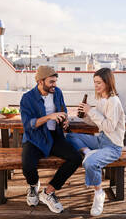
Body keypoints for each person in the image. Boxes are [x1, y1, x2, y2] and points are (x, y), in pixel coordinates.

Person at [20, 65, 82, 213]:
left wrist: (64, 119)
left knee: (75, 158)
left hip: (55, 135)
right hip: (35, 137)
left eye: (55, 81)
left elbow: (63, 110)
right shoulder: (27, 98)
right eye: (51, 82)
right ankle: (33, 185)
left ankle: (48, 192)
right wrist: (49, 117)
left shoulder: (57, 92)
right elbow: (28, 125)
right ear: (40, 82)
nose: (55, 85)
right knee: (27, 166)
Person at [66, 68, 125, 217]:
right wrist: (85, 115)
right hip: (101, 140)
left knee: (90, 163)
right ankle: (88, 152)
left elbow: (109, 127)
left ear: (107, 82)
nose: (96, 85)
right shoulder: (102, 100)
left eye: (99, 82)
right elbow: (96, 124)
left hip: (113, 145)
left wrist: (91, 111)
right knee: (70, 137)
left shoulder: (114, 101)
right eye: (94, 82)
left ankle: (99, 193)